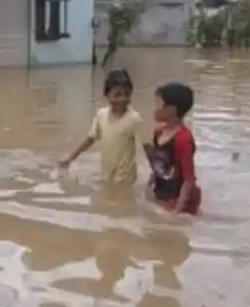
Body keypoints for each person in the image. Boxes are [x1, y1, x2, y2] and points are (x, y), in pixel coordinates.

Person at [59, 69, 142, 187]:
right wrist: (70, 159)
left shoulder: (134, 119)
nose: (123, 99)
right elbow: (90, 139)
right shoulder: (101, 115)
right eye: (117, 95)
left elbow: (146, 147)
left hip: (125, 179)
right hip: (107, 174)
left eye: (127, 94)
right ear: (107, 95)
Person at [147, 82, 203, 215]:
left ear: (172, 109)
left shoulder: (183, 139)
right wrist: (148, 188)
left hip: (179, 200)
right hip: (162, 194)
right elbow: (158, 166)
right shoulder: (159, 133)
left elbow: (189, 179)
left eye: (159, 104)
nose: (155, 108)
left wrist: (177, 211)